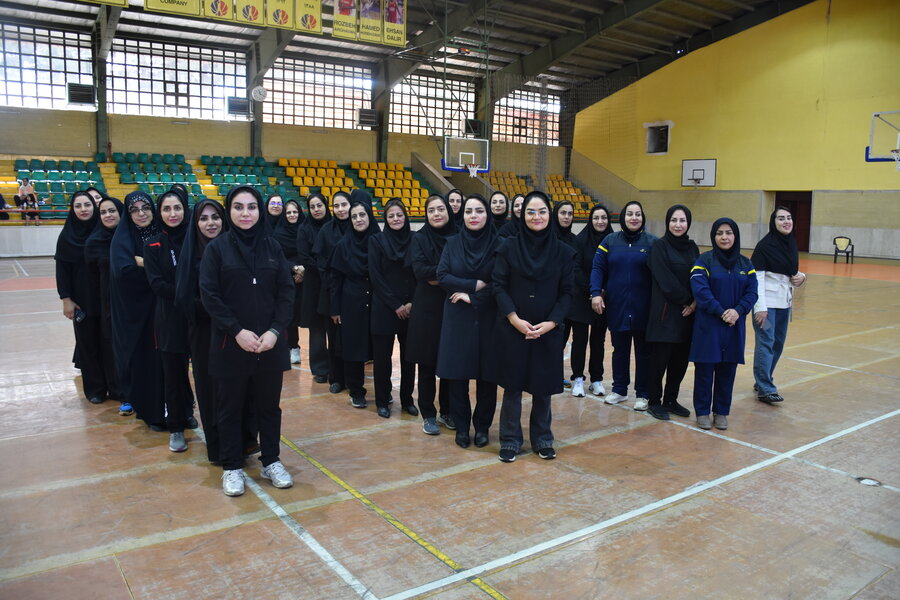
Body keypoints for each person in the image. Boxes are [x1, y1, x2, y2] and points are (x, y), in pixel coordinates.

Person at [199, 185, 295, 497]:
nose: (245, 213)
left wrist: (275, 331)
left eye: (251, 207)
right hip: (231, 345)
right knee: (230, 408)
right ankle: (231, 466)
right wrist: (237, 331)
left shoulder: (272, 247)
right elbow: (210, 296)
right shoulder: (217, 249)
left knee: (269, 407)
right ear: (229, 211)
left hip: (269, 345)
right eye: (238, 207)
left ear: (260, 210)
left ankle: (271, 460)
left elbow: (286, 292)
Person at [493, 191, 574, 462]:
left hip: (547, 330)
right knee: (513, 387)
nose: (536, 217)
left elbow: (567, 293)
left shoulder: (563, 252)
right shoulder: (507, 247)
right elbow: (499, 286)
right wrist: (514, 319)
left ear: (549, 215)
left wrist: (551, 323)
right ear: (521, 215)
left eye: (541, 211)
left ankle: (542, 438)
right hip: (513, 327)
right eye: (530, 211)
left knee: (543, 387)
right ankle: (510, 440)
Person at [436, 194, 499, 448]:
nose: (474, 216)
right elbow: (442, 275)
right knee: (458, 375)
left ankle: (482, 427)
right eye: (469, 211)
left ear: (487, 215)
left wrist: (473, 297)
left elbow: (501, 281)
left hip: (488, 316)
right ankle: (462, 427)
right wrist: (473, 285)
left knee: (487, 376)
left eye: (479, 211)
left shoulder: (500, 244)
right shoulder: (452, 243)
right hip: (457, 317)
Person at [689, 218, 758, 430]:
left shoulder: (746, 264)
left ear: (735, 235)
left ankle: (721, 411)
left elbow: (752, 292)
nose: (724, 237)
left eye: (728, 233)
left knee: (727, 371)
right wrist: (721, 312)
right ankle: (702, 411)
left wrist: (738, 311)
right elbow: (701, 291)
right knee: (705, 370)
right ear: (713, 237)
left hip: (733, 326)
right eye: (719, 233)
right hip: (708, 327)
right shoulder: (704, 261)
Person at [175, 198, 229, 464]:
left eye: (215, 217)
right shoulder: (190, 255)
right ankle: (217, 448)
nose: (210, 223)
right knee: (209, 389)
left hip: (234, 333)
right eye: (204, 218)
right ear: (195, 224)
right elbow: (184, 297)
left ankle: (240, 442)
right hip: (204, 333)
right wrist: (216, 309)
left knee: (234, 389)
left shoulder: (233, 249)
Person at [590, 201, 657, 411]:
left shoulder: (652, 242)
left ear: (642, 218)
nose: (634, 218)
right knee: (619, 349)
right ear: (623, 217)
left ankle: (643, 394)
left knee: (644, 352)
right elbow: (598, 268)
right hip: (617, 306)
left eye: (638, 214)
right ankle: (619, 389)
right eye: (629, 214)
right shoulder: (610, 241)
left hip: (644, 307)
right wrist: (595, 293)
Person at [143, 189, 196, 452]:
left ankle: (194, 414)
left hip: (199, 317)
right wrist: (190, 293)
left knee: (207, 374)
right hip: (170, 319)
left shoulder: (197, 238)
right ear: (159, 213)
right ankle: (176, 427)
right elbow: (158, 285)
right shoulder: (152, 245)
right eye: (166, 209)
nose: (172, 213)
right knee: (173, 375)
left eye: (177, 208)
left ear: (185, 209)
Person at [109, 191, 165, 428]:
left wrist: (143, 262)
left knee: (167, 359)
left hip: (164, 308)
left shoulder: (163, 232)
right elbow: (125, 273)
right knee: (141, 358)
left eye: (146, 208)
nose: (141, 213)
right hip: (135, 312)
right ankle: (146, 406)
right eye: (134, 210)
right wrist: (157, 268)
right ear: (128, 214)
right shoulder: (122, 239)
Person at [407, 194, 456, 435]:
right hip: (427, 308)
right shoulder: (419, 238)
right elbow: (420, 271)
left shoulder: (459, 235)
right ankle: (428, 413)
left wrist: (439, 275)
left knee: (449, 362)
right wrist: (449, 274)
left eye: (440, 209)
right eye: (431, 210)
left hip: (453, 306)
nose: (436, 214)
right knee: (426, 363)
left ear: (448, 211)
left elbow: (465, 268)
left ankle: (447, 411)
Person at [645, 205, 700, 421]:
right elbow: (665, 280)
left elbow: (698, 276)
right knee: (659, 361)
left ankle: (671, 399)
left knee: (680, 360)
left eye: (682, 220)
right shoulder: (659, 246)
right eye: (674, 220)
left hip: (687, 315)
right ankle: (654, 401)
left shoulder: (693, 247)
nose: (678, 224)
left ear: (688, 223)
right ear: (667, 222)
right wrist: (687, 299)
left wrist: (695, 302)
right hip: (665, 315)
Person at [751, 207, 806, 404]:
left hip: (784, 304)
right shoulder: (764, 246)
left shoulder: (790, 243)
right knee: (766, 341)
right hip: (766, 307)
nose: (786, 221)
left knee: (778, 344)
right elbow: (757, 279)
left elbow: (791, 272)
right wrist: (760, 308)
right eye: (781, 218)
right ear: (773, 223)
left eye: (789, 218)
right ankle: (765, 388)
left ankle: (762, 379)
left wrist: (801, 277)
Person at [368, 198, 417, 418]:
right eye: (391, 216)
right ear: (385, 219)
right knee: (382, 359)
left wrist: (411, 302)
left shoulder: (415, 239)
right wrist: (396, 305)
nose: (396, 219)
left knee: (409, 359)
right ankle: (382, 401)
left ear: (405, 216)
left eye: (399, 215)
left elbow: (418, 272)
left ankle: (407, 400)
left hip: (410, 308)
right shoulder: (376, 241)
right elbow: (375, 276)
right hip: (384, 308)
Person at [55, 191, 105, 404]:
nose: (83, 209)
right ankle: (95, 390)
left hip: (107, 298)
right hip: (81, 301)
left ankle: (115, 386)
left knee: (109, 344)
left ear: (94, 207)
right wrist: (66, 299)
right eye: (78, 206)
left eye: (87, 204)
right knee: (87, 344)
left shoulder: (104, 232)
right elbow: (62, 270)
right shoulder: (66, 237)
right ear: (72, 209)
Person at [329, 197, 379, 410]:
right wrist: (335, 308)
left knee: (378, 349)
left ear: (370, 216)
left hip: (377, 302)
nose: (359, 219)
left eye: (362, 215)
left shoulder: (379, 241)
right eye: (354, 216)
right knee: (353, 348)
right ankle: (356, 391)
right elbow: (335, 279)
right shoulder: (342, 246)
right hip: (351, 302)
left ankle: (383, 391)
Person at [84, 196, 125, 410]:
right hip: (108, 303)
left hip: (132, 301)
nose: (108, 215)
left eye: (112, 211)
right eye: (103, 212)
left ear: (121, 212)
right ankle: (117, 388)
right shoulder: (94, 242)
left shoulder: (130, 237)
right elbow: (91, 279)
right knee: (110, 346)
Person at [569, 204, 611, 398]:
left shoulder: (613, 241)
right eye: (596, 218)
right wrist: (592, 290)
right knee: (579, 340)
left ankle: (596, 379)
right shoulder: (580, 240)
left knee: (598, 341)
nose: (600, 221)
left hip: (603, 298)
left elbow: (614, 269)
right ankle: (578, 378)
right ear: (590, 220)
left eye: (603, 218)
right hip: (582, 297)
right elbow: (576, 269)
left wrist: (602, 291)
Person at [312, 191, 351, 394]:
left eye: (344, 204)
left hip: (355, 293)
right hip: (331, 292)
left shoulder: (358, 226)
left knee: (352, 338)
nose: (341, 209)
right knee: (334, 338)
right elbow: (321, 264)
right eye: (336, 206)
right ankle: (336, 378)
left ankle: (353, 379)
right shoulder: (326, 230)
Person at [296, 193, 331, 383]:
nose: (317, 209)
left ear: (325, 206)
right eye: (313, 206)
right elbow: (304, 257)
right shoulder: (304, 229)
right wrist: (323, 268)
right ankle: (320, 369)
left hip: (333, 282)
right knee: (317, 328)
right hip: (314, 283)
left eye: (319, 205)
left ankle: (336, 367)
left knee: (335, 327)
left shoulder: (334, 225)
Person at [273, 199, 304, 364]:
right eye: (289, 212)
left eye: (295, 212)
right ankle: (293, 346)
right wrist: (294, 268)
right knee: (289, 314)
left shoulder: (305, 229)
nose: (292, 215)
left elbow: (309, 252)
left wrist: (304, 270)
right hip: (287, 277)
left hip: (307, 276)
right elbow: (278, 257)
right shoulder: (278, 233)